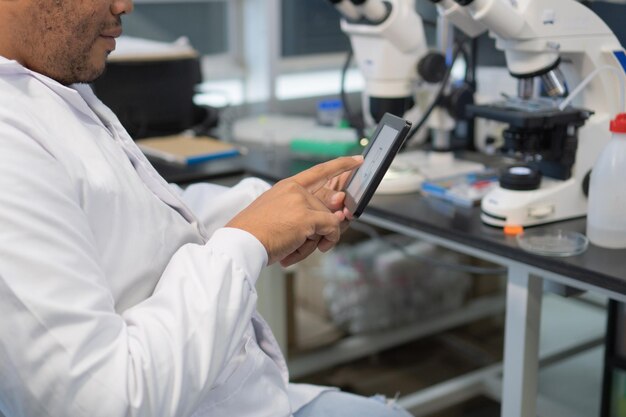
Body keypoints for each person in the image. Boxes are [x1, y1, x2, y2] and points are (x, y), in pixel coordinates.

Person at [0, 1, 416, 417]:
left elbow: (139, 220)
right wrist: (249, 240)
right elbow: (104, 401)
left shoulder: (50, 86)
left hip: (239, 393)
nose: (125, 5)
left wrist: (273, 204)